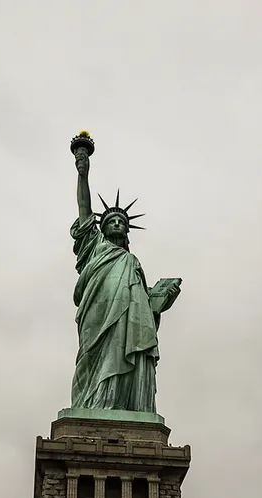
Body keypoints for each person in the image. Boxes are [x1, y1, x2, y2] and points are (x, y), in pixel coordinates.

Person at [69, 142, 182, 412]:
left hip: (128, 320)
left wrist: (160, 298)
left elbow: (144, 303)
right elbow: (84, 209)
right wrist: (83, 173)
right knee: (91, 358)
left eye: (122, 221)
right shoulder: (94, 247)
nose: (118, 223)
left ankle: (120, 405)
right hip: (97, 316)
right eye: (111, 221)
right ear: (103, 229)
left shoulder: (131, 262)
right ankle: (91, 405)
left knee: (125, 352)